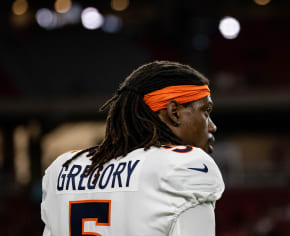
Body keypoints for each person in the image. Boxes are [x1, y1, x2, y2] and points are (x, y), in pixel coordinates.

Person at [41, 61, 225, 236]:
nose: (212, 126)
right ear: (174, 112)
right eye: (205, 111)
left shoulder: (62, 168)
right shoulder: (185, 165)